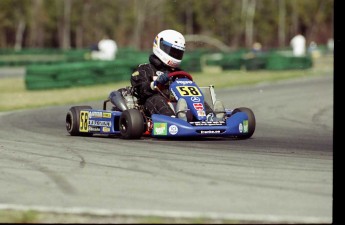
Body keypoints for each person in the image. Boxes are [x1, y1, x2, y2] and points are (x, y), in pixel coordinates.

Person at [109, 29, 224, 121]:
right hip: (149, 107)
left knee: (197, 99)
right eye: (173, 52)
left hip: (179, 104)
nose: (175, 55)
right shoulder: (144, 69)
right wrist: (155, 83)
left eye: (178, 53)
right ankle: (173, 120)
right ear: (160, 46)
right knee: (156, 99)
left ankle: (210, 118)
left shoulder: (179, 72)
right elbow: (141, 91)